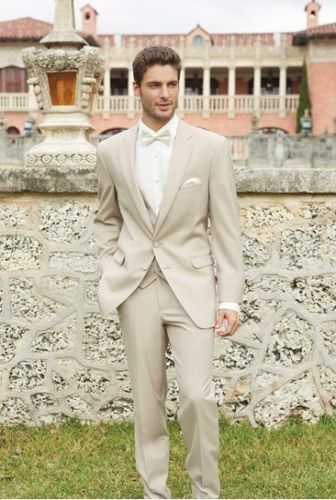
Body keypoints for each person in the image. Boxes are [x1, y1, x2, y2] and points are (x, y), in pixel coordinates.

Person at [94, 46, 244, 499]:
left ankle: (205, 492)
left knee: (198, 396)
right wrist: (111, 266)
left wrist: (229, 297)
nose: (165, 94)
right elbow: (106, 220)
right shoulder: (112, 151)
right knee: (148, 403)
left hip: (193, 288)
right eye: (155, 85)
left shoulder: (211, 148)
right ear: (136, 89)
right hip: (136, 287)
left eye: (172, 84)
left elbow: (226, 228)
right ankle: (154, 493)